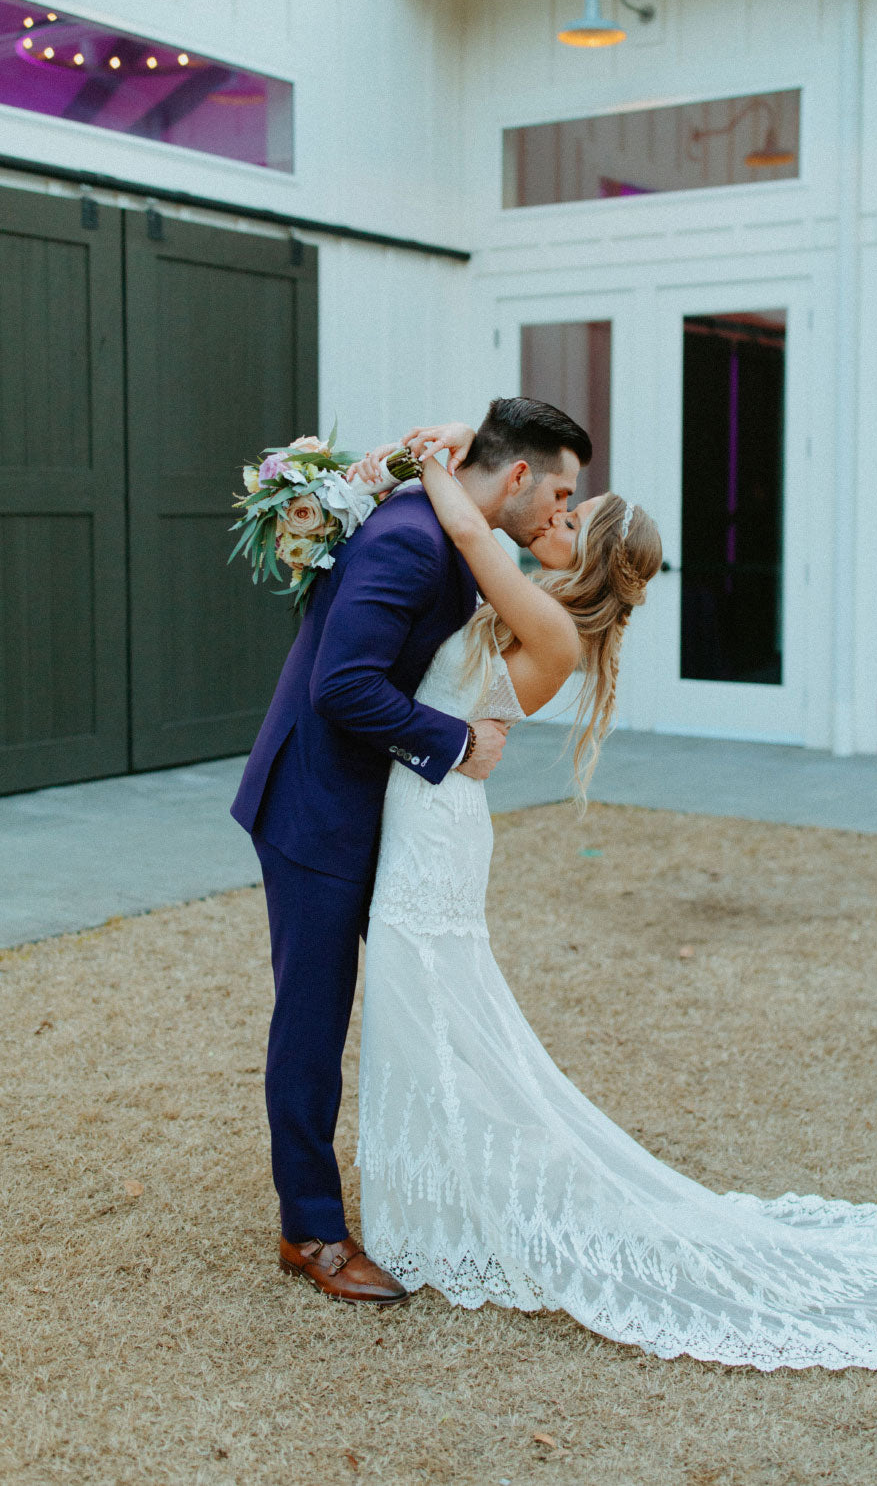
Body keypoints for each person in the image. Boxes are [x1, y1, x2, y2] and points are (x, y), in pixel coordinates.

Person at [349, 423, 877, 1367]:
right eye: (562, 499)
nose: (557, 512)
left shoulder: (549, 624)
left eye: (575, 512)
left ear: (589, 551)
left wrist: (434, 462)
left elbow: (476, 534)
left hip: (437, 833)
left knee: (431, 1010)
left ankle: (441, 1209)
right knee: (427, 1013)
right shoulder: (523, 608)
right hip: (430, 811)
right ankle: (434, 1193)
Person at [230, 397, 592, 1303]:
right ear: (517, 476)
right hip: (317, 807)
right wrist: (455, 742)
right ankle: (309, 1229)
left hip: (375, 807)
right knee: (313, 1020)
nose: (562, 510)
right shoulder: (409, 539)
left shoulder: (453, 526)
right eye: (561, 491)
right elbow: (340, 684)